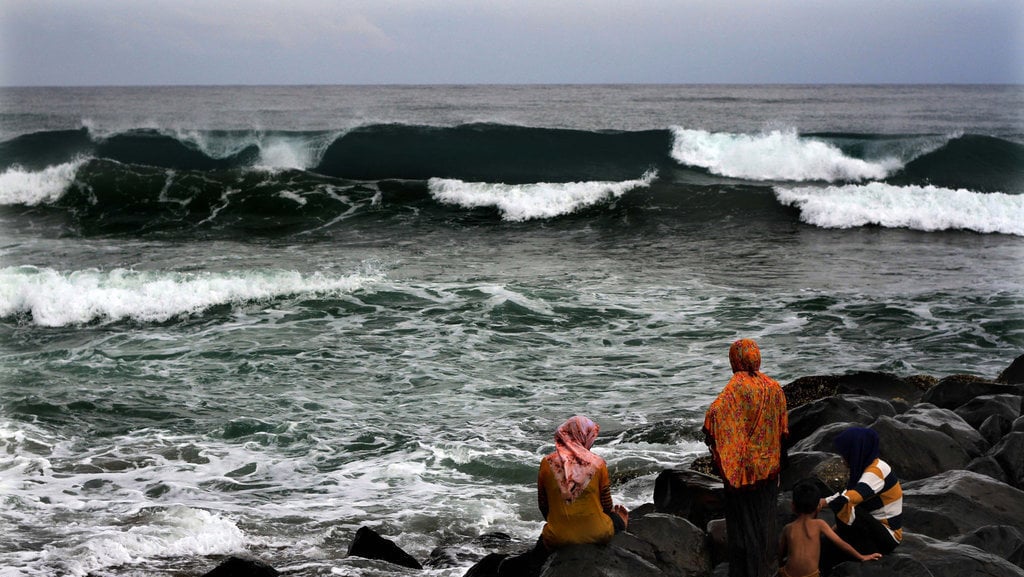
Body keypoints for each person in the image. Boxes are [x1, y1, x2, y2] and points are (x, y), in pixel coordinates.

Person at [497, 415, 629, 577]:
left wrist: (562, 521)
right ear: (584, 436)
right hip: (596, 534)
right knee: (616, 518)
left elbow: (544, 506)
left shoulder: (547, 463)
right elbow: (607, 506)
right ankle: (622, 523)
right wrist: (614, 519)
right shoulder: (598, 463)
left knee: (535, 557)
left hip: (556, 538)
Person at [703, 338, 789, 577]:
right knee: (765, 524)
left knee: (742, 528)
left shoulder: (737, 386)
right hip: (769, 469)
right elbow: (782, 429)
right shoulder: (774, 387)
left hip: (741, 472)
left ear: (735, 359)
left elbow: (714, 415)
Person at [819, 427, 903, 572]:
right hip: (873, 527)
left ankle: (859, 549)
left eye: (845, 454)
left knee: (846, 505)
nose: (842, 458)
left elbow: (852, 497)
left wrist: (821, 503)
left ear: (855, 452)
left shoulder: (877, 471)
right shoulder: (866, 467)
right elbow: (847, 493)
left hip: (888, 536)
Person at [779, 479, 881, 577]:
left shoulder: (788, 529)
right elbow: (841, 544)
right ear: (819, 506)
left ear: (792, 506)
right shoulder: (819, 524)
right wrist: (862, 557)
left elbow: (780, 554)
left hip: (788, 574)